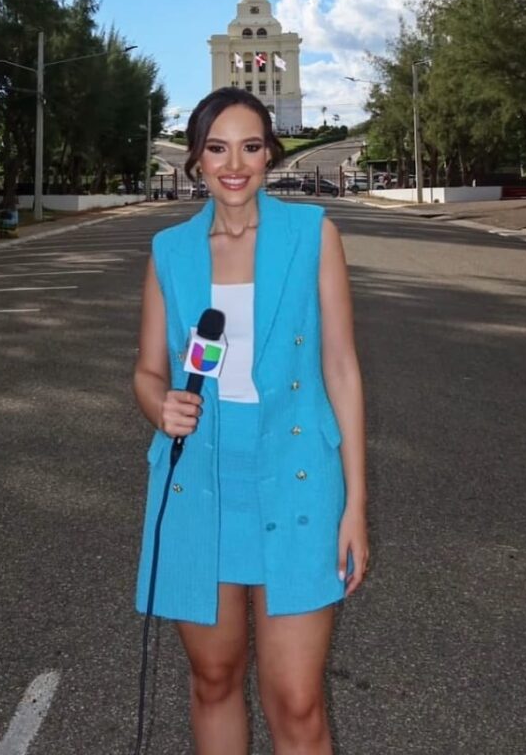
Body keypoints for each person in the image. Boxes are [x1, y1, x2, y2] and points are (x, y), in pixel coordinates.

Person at [133, 86, 369, 754]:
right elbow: (147, 371)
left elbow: (341, 368)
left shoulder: (312, 236)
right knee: (213, 679)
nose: (233, 165)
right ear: (196, 159)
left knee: (296, 701)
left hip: (296, 474)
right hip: (199, 479)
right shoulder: (170, 250)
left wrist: (355, 504)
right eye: (217, 148)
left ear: (270, 155)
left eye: (250, 147)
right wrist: (160, 405)